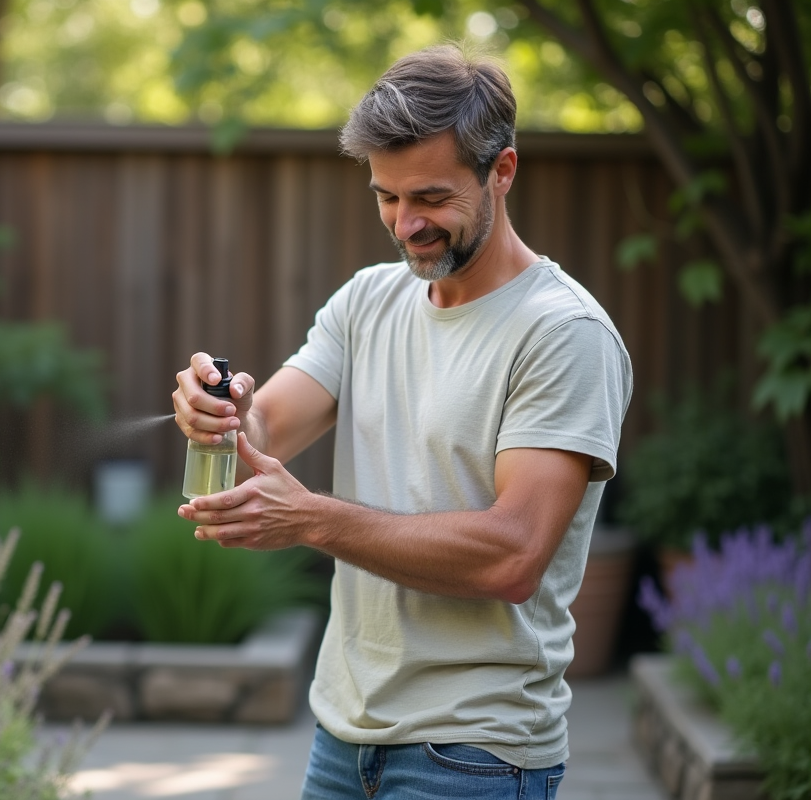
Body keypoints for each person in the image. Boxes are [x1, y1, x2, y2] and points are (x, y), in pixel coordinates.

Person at [171, 43, 633, 799]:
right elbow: (266, 432)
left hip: (475, 754)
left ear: (502, 171)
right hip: (342, 739)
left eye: (431, 198)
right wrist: (218, 410)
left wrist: (313, 520)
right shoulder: (367, 302)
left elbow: (512, 557)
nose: (406, 223)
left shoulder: (563, 334)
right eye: (387, 197)